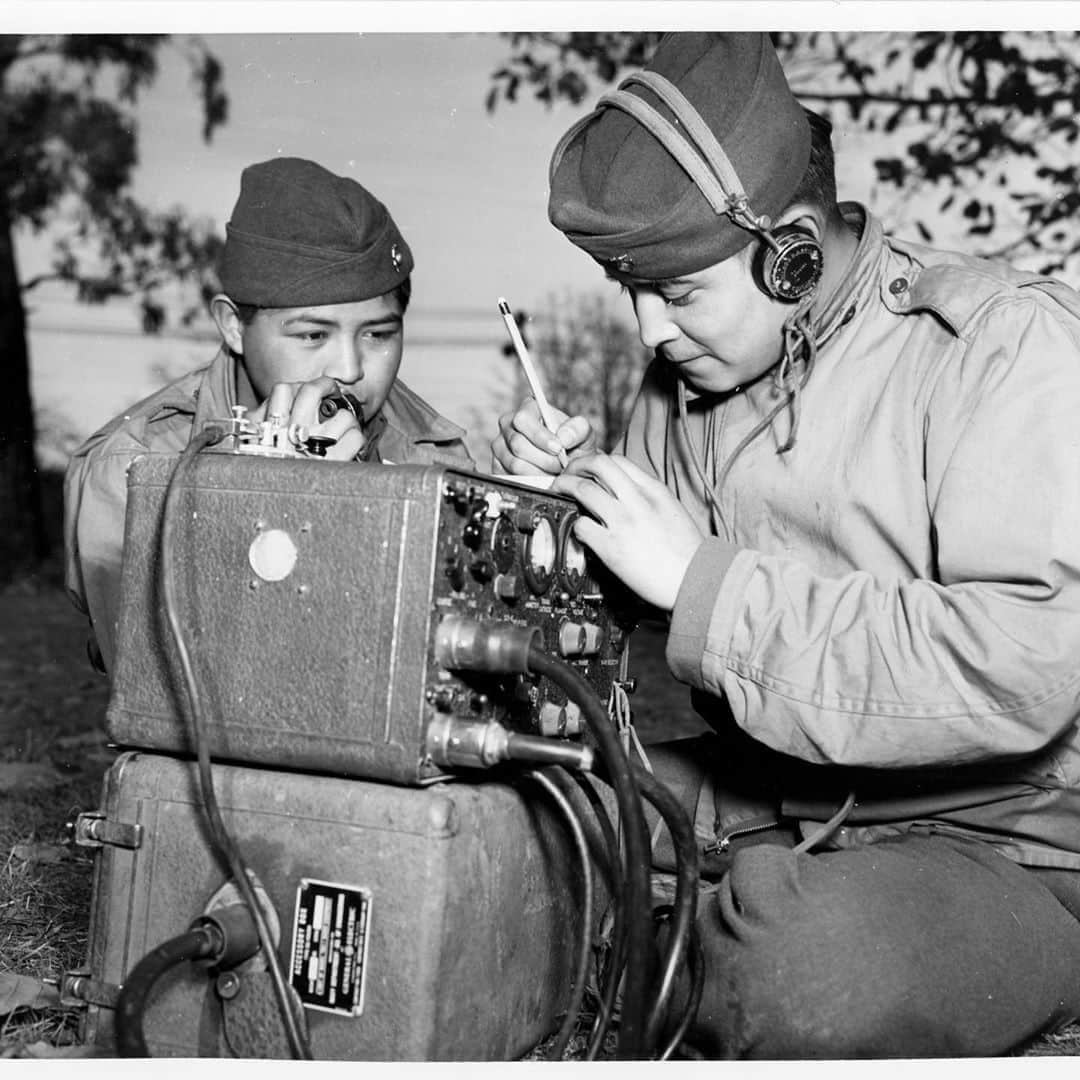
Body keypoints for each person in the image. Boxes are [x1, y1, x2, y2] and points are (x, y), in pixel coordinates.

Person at [493, 31, 1080, 1059]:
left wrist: (702, 582)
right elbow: (635, 607)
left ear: (791, 250)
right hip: (771, 802)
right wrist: (567, 518)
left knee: (797, 975)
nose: (648, 332)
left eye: (675, 293)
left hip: (1012, 848)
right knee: (511, 819)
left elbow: (1021, 661)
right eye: (630, 289)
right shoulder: (694, 379)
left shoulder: (1000, 347)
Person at [65, 157, 472, 677]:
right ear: (234, 327)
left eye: (378, 335)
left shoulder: (431, 452)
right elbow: (155, 686)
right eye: (311, 336)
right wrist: (243, 502)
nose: (348, 370)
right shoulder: (134, 469)